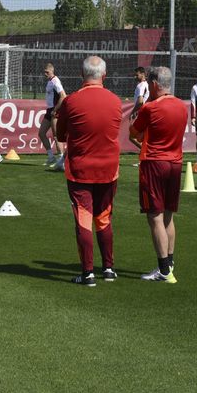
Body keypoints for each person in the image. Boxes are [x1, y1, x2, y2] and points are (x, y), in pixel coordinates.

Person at [55, 56, 122, 286]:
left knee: (84, 219)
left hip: (80, 170)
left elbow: (61, 135)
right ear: (104, 75)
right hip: (108, 169)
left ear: (81, 75)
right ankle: (109, 268)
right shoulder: (115, 101)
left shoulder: (71, 101)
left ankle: (88, 273)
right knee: (103, 219)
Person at [130, 66, 189, 283]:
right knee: (168, 215)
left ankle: (163, 269)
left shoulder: (151, 108)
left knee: (154, 215)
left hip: (154, 163)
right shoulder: (183, 107)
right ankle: (169, 263)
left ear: (154, 84)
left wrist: (144, 138)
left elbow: (133, 132)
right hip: (175, 163)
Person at [39, 63, 67, 170]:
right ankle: (51, 157)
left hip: (55, 111)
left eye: (47, 72)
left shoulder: (55, 81)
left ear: (52, 71)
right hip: (49, 110)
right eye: (45, 72)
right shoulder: (50, 81)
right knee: (41, 133)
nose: (45, 74)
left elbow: (63, 96)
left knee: (56, 136)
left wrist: (55, 110)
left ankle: (61, 160)